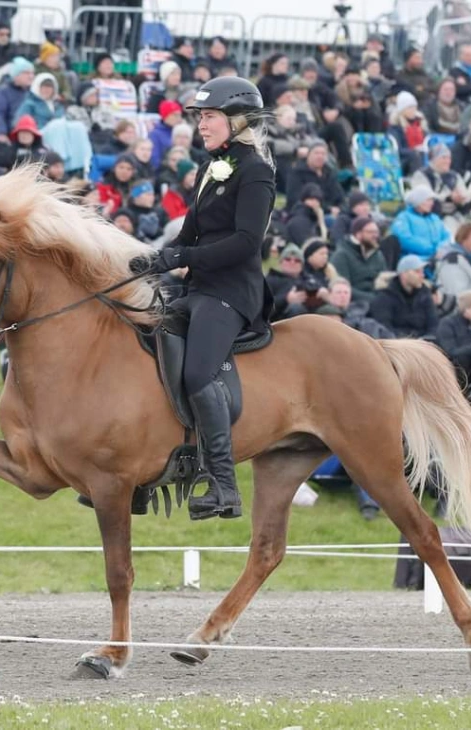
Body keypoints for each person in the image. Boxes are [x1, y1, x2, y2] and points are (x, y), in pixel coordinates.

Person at [140, 77, 275, 521]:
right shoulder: (209, 168)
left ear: (238, 121)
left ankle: (223, 485)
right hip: (198, 289)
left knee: (198, 373)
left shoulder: (255, 171)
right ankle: (140, 472)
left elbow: (246, 242)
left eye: (210, 116)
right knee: (144, 338)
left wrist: (183, 257)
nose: (201, 124)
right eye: (200, 117)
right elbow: (189, 234)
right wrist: (154, 258)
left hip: (232, 293)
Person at [367, 255, 438, 339]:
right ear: (403, 274)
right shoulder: (384, 297)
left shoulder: (425, 294)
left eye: (422, 271)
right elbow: (384, 329)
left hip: (422, 343)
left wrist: (427, 340)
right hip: (395, 344)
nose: (422, 275)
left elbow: (433, 325)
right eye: (417, 271)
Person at [330, 216, 387, 303]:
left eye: (376, 232)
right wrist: (373, 299)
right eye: (371, 232)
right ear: (358, 234)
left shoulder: (378, 255)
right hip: (353, 303)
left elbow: (385, 282)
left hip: (377, 300)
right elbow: (343, 287)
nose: (375, 236)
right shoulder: (341, 255)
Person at [390, 187, 451, 260]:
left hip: (438, 259)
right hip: (415, 261)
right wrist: (432, 249)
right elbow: (404, 239)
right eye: (428, 200)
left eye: (432, 200)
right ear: (418, 201)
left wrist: (441, 248)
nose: (432, 203)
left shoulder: (435, 218)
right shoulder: (404, 217)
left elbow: (446, 236)